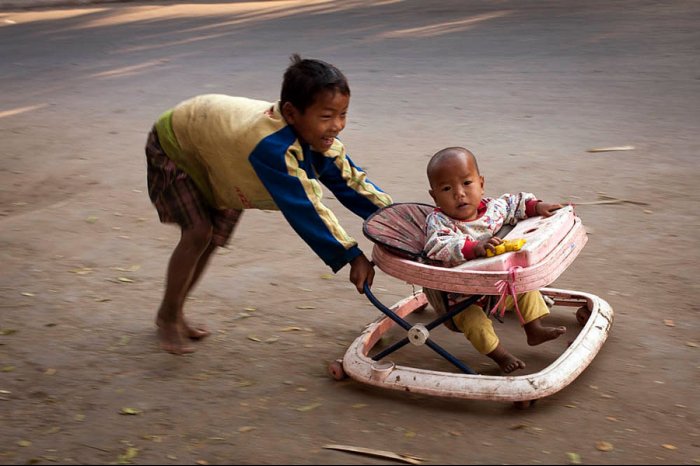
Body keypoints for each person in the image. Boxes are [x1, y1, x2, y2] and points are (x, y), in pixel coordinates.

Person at [145, 54, 392, 355]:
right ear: (291, 112)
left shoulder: (317, 139)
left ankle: (174, 310)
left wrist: (398, 220)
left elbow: (351, 184)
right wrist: (352, 255)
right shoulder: (271, 148)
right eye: (327, 116)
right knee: (198, 232)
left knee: (209, 240)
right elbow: (305, 208)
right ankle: (167, 317)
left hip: (220, 152)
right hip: (177, 143)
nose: (337, 125)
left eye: (343, 114)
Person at [423, 146, 565, 373]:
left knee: (526, 287)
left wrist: (536, 206)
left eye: (467, 183)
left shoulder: (493, 208)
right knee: (474, 323)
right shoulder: (439, 222)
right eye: (447, 188)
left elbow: (514, 203)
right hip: (462, 296)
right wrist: (473, 247)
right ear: (434, 196)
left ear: (481, 183)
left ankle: (534, 329)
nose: (459, 193)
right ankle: (501, 356)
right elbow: (437, 245)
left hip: (499, 290)